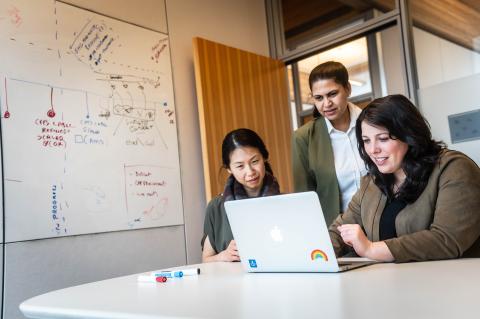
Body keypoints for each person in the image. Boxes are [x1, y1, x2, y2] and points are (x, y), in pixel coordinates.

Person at [329, 94, 480, 262]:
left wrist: (370, 249)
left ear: (408, 134)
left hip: (453, 282)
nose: (372, 150)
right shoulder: (372, 181)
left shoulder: (454, 168)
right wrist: (317, 254)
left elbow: (447, 239)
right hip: (395, 283)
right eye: (366, 140)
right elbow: (339, 230)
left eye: (383, 139)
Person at [292, 61, 367, 226]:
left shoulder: (371, 122)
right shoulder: (303, 138)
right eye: (319, 98)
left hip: (381, 224)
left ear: (348, 88)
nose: (326, 104)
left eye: (332, 94)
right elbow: (304, 199)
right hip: (338, 232)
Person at [201, 128, 280, 262]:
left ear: (264, 158)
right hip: (231, 282)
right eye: (240, 166)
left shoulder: (284, 203)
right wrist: (224, 255)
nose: (250, 172)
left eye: (255, 161)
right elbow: (206, 260)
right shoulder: (216, 207)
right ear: (229, 169)